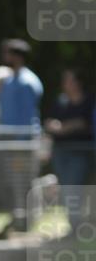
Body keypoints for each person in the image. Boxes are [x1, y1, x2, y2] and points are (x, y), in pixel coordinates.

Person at [45, 69, 95, 231]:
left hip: (81, 152)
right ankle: (73, 224)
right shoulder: (61, 101)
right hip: (60, 151)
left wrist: (65, 127)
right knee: (66, 187)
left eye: (69, 80)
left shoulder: (88, 101)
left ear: (78, 82)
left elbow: (85, 123)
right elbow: (50, 120)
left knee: (74, 187)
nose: (65, 84)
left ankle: (76, 226)